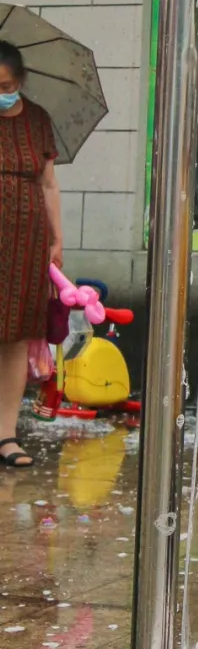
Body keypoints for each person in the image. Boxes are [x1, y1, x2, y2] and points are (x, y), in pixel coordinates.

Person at [0, 43, 62, 469]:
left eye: (4, 85)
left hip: (26, 239)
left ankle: (6, 435)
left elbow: (48, 184)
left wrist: (58, 240)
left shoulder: (38, 120)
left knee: (16, 338)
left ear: (19, 81)